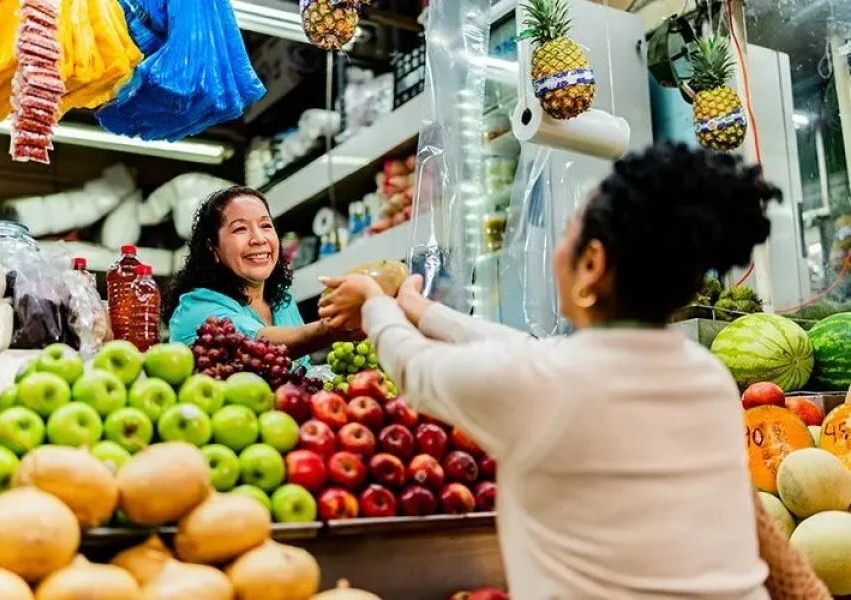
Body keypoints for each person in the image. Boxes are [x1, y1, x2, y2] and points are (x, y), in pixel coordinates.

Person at [319, 143, 780, 599]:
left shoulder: (551, 382)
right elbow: (532, 354)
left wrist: (375, 304)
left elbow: (416, 370)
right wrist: (423, 311)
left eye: (566, 234)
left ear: (593, 263)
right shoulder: (707, 376)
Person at [164, 186, 350, 363]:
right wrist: (329, 329)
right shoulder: (196, 309)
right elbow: (257, 346)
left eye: (265, 226)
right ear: (213, 249)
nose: (259, 239)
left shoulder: (282, 302)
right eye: (240, 229)